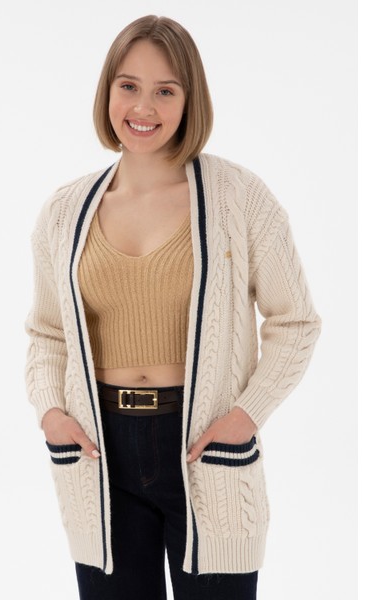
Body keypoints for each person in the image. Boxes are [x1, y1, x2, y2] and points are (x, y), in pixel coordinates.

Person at [25, 15, 321, 600]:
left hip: (206, 445)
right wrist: (50, 412)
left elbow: (296, 322)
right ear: (107, 91)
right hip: (98, 450)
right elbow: (46, 332)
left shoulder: (240, 198)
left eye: (166, 90)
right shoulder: (64, 211)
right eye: (129, 86)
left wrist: (246, 416)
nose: (144, 106)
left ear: (191, 101)